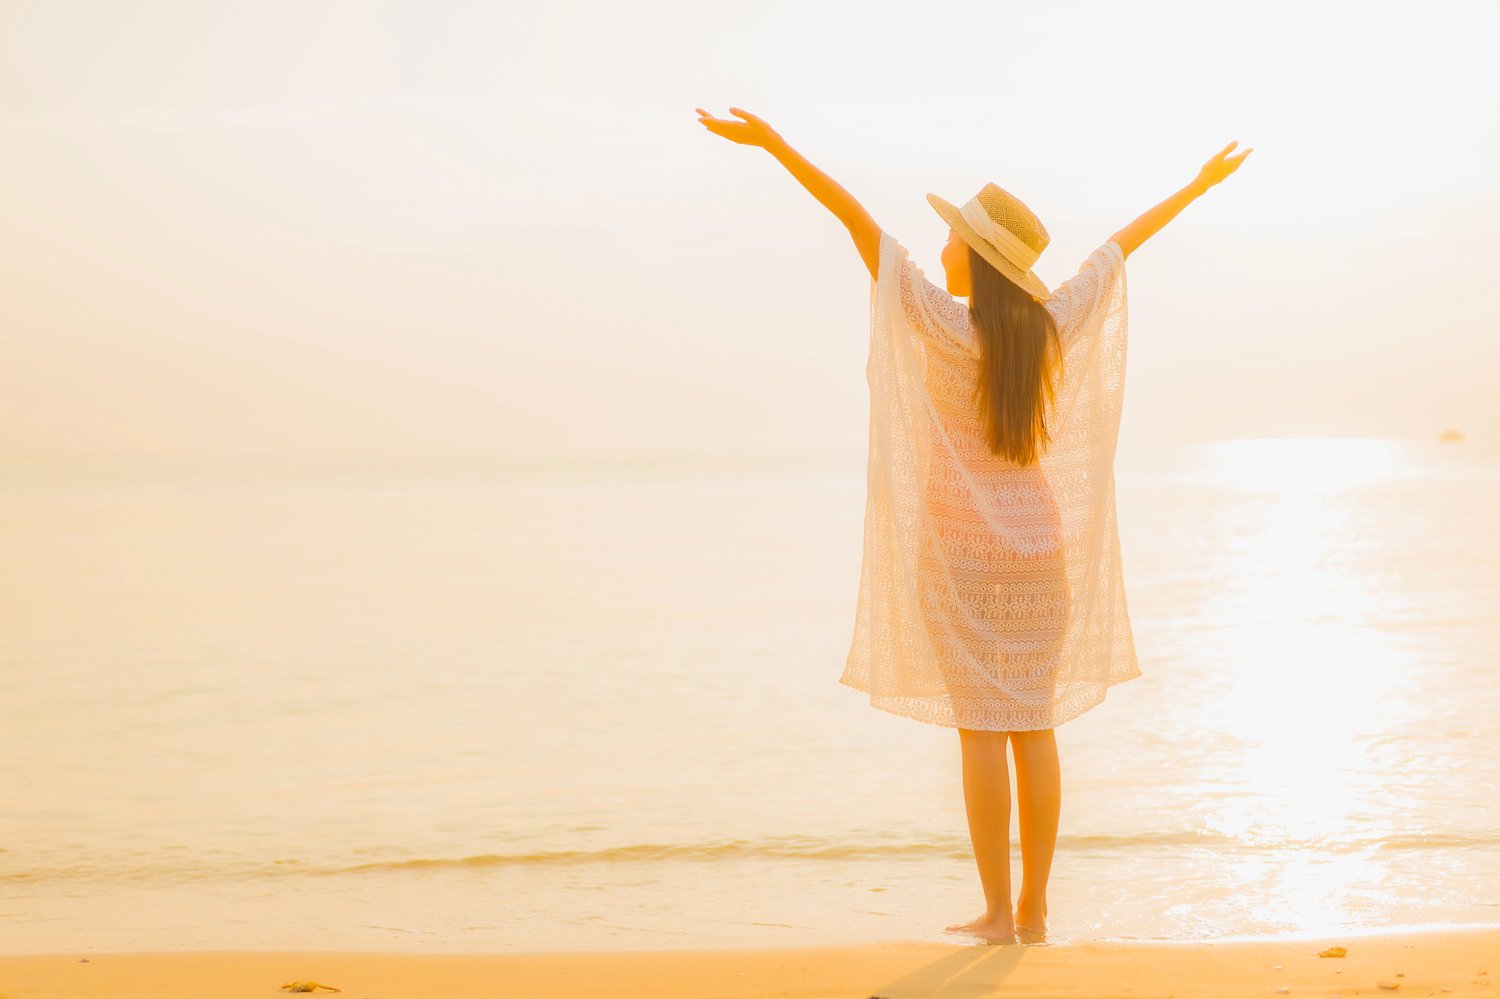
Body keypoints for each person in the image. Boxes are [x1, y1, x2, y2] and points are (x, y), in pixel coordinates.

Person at [695, 106, 1251, 946]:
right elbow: (1119, 247)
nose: (943, 246)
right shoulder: (1050, 325)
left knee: (981, 731)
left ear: (976, 257)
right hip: (1041, 551)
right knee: (1035, 725)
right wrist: (1198, 186)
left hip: (960, 553)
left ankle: (996, 911)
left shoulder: (937, 319)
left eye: (953, 236)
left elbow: (854, 221)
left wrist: (775, 146)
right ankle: (1034, 909)